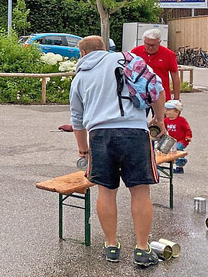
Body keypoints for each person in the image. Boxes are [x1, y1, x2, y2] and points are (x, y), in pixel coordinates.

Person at [70, 36, 166, 267]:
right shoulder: (126, 60)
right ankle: (142, 249)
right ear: (104, 49)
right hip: (134, 132)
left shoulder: (80, 77)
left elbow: (77, 119)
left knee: (106, 192)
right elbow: (157, 87)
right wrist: (159, 119)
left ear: (82, 54)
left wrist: (84, 151)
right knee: (140, 193)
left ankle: (111, 246)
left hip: (100, 136)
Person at [131, 29, 180, 101]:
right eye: (147, 44)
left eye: (153, 45)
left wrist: (176, 99)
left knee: (161, 112)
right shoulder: (135, 52)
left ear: (159, 42)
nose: (150, 47)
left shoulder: (169, 55)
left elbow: (175, 77)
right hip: (140, 94)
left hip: (161, 94)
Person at [163, 99, 191, 173]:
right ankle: (176, 160)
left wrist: (188, 136)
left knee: (177, 149)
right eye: (166, 109)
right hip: (172, 140)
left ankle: (179, 166)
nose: (166, 111)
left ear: (177, 112)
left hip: (182, 140)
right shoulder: (166, 120)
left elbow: (187, 129)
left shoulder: (181, 120)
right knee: (164, 148)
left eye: (169, 110)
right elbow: (164, 129)